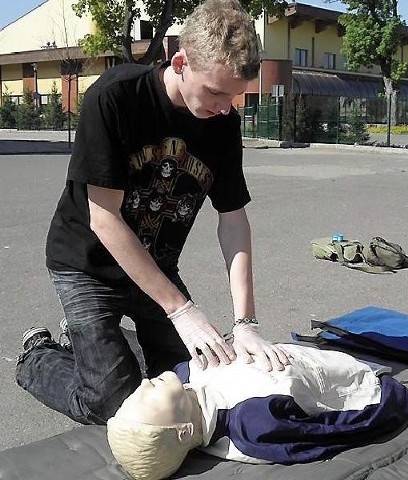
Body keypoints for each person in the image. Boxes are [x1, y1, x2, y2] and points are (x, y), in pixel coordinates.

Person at [15, 0, 289, 426]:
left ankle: (95, 344)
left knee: (195, 381)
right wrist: (182, 311)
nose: (223, 107)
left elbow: (233, 220)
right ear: (180, 61)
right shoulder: (115, 98)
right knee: (115, 403)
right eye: (215, 92)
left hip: (155, 268)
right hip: (86, 266)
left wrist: (246, 323)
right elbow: (103, 217)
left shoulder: (222, 123)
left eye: (232, 96)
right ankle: (38, 355)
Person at [106, 344, 408, 480]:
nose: (146, 381)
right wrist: (389, 401)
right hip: (347, 381)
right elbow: (331, 430)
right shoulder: (253, 424)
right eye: (149, 397)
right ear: (183, 431)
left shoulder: (185, 376)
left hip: (293, 360)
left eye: (139, 391)